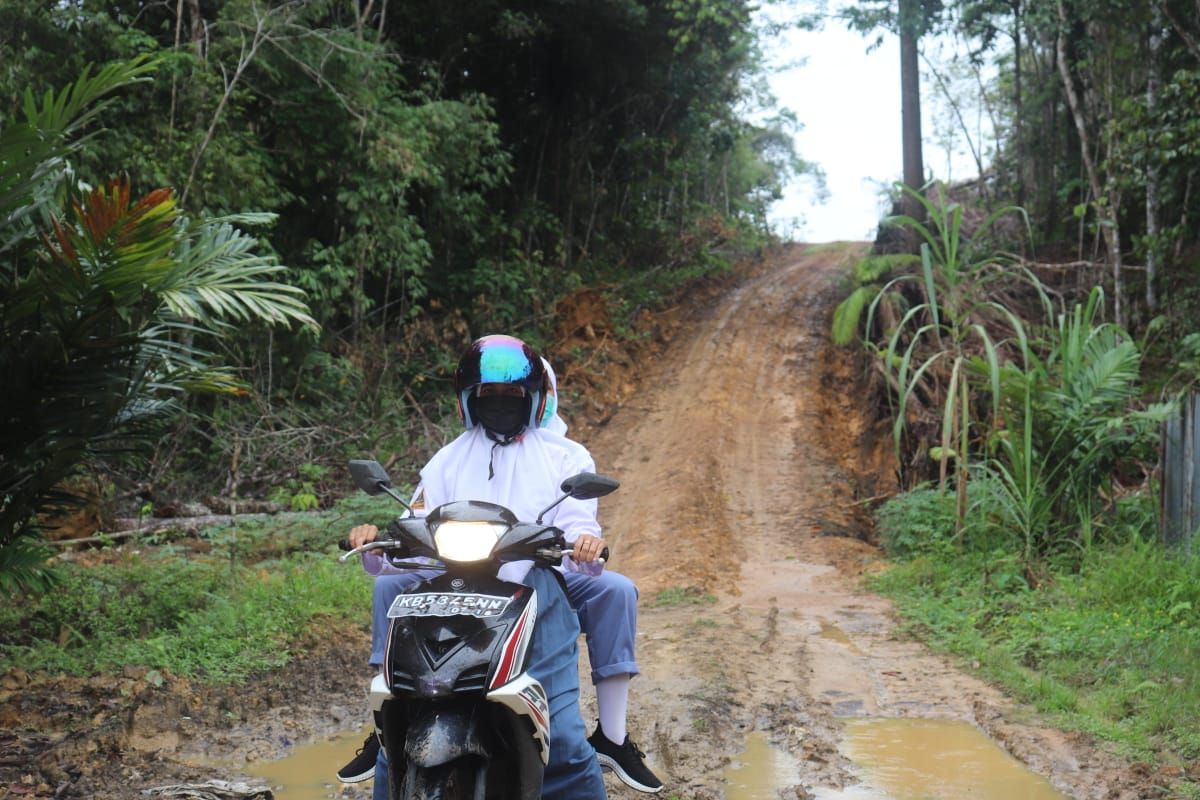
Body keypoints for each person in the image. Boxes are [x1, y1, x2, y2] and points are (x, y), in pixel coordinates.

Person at [339, 335, 663, 798]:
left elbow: (576, 524)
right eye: (488, 395)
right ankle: (383, 727)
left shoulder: (564, 457)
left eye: (511, 395)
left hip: (532, 583)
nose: (500, 403)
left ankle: (601, 747)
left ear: (532, 400)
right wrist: (376, 541)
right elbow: (416, 522)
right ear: (469, 400)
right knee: (399, 716)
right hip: (454, 583)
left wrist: (585, 544)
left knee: (565, 736)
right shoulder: (446, 459)